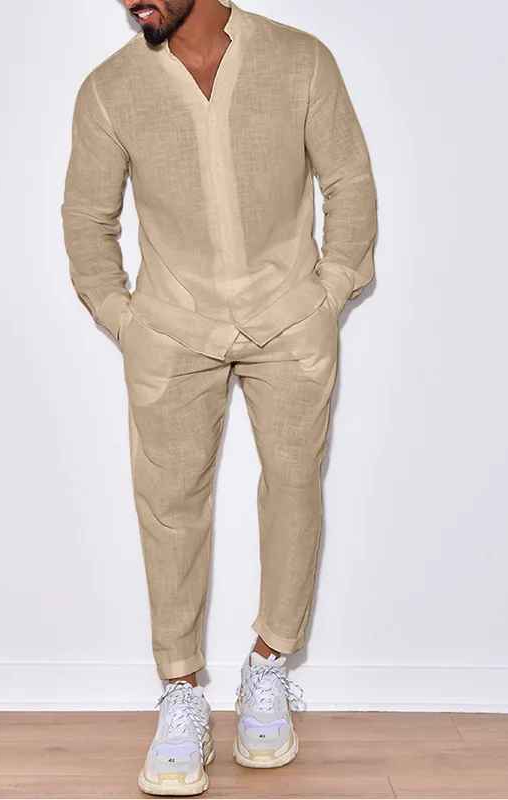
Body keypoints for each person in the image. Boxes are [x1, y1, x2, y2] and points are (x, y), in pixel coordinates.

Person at [61, 0, 377, 793]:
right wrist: (127, 321)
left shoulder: (300, 60)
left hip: (289, 317)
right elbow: (87, 222)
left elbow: (349, 181)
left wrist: (330, 290)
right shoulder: (108, 90)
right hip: (171, 328)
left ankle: (269, 666)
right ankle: (180, 693)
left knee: (295, 484)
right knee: (169, 505)